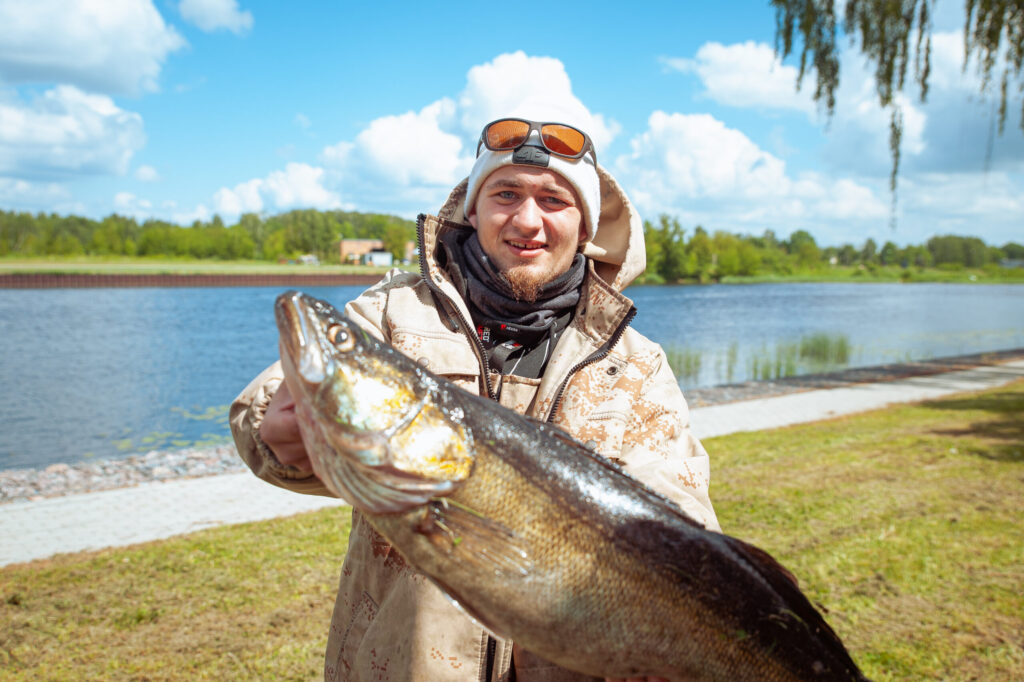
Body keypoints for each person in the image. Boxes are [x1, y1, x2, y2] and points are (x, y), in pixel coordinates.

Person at [230, 110, 720, 682]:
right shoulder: (391, 314)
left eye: (555, 201)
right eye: (506, 193)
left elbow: (681, 517)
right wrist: (273, 427)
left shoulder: (634, 364)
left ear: (585, 226)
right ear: (474, 208)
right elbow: (267, 406)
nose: (528, 220)